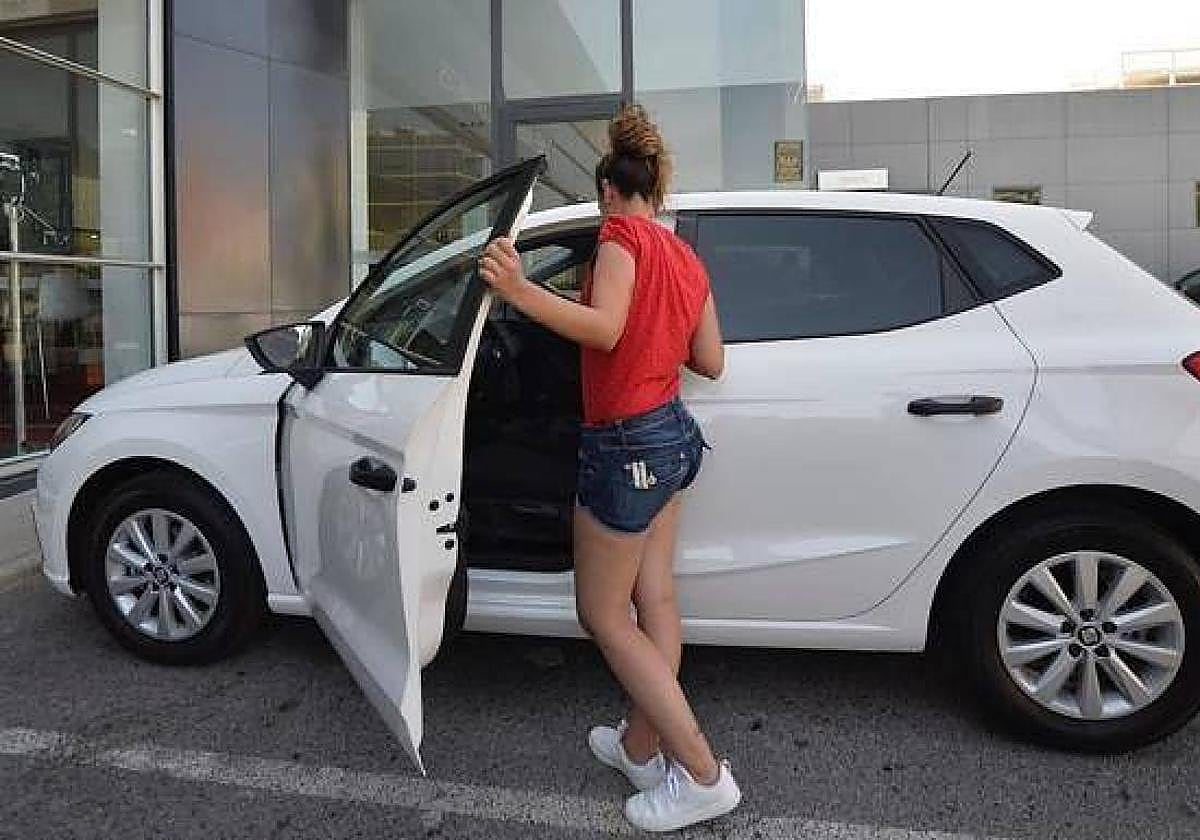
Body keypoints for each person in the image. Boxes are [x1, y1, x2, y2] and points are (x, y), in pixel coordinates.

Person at [478, 104, 738, 832]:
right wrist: (654, 335)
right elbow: (710, 362)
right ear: (654, 189)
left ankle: (704, 774)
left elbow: (606, 327)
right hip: (671, 440)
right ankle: (638, 746)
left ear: (607, 193)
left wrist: (519, 291)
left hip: (625, 448)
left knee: (602, 613)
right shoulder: (684, 257)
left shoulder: (618, 236)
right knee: (654, 598)